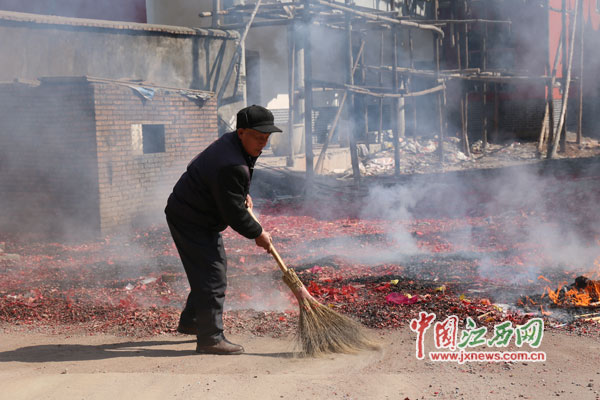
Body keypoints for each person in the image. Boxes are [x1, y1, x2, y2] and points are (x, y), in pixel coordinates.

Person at [165, 105, 281, 355]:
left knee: (207, 271)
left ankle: (191, 321)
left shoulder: (234, 145)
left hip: (194, 211)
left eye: (267, 138)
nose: (264, 144)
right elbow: (234, 214)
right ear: (241, 132)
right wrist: (258, 233)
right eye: (259, 138)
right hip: (191, 217)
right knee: (212, 274)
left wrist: (240, 193)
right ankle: (210, 337)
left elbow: (224, 184)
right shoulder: (230, 163)